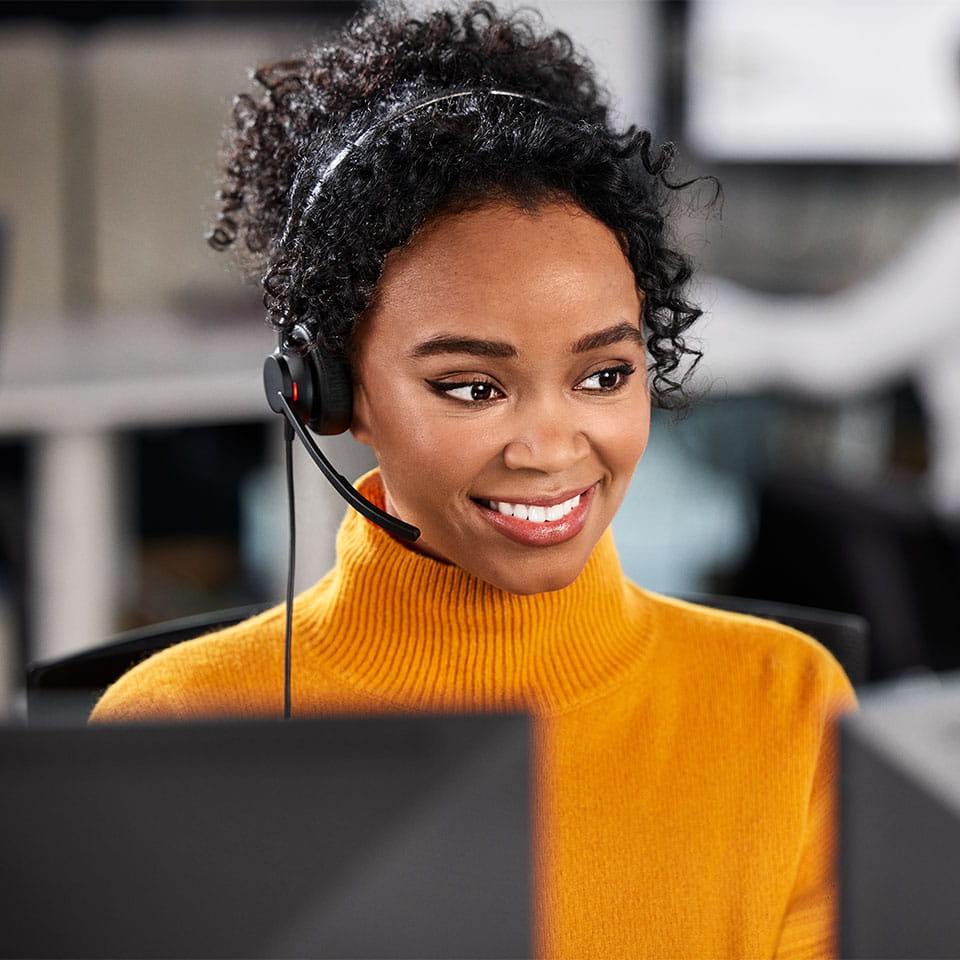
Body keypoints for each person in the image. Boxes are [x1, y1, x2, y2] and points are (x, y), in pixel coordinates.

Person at [90, 4, 856, 957]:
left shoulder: (784, 703)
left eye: (604, 375)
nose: (548, 446)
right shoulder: (174, 732)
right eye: (471, 386)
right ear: (330, 394)